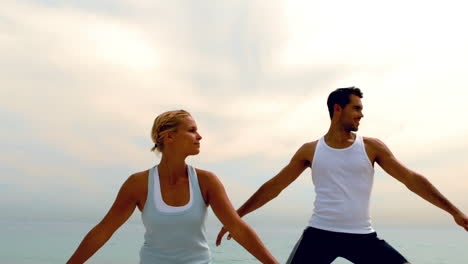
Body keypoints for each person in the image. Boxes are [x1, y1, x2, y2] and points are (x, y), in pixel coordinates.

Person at [216, 87, 468, 264]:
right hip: (319, 234)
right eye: (356, 108)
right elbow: (274, 186)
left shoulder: (371, 147)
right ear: (338, 109)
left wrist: (454, 211)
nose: (361, 114)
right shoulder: (310, 151)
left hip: (362, 237)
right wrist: (236, 217)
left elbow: (411, 180)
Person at [67, 110, 278, 264]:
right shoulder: (138, 184)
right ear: (169, 137)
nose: (200, 136)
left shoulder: (207, 182)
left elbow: (238, 228)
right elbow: (103, 231)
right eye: (192, 130)